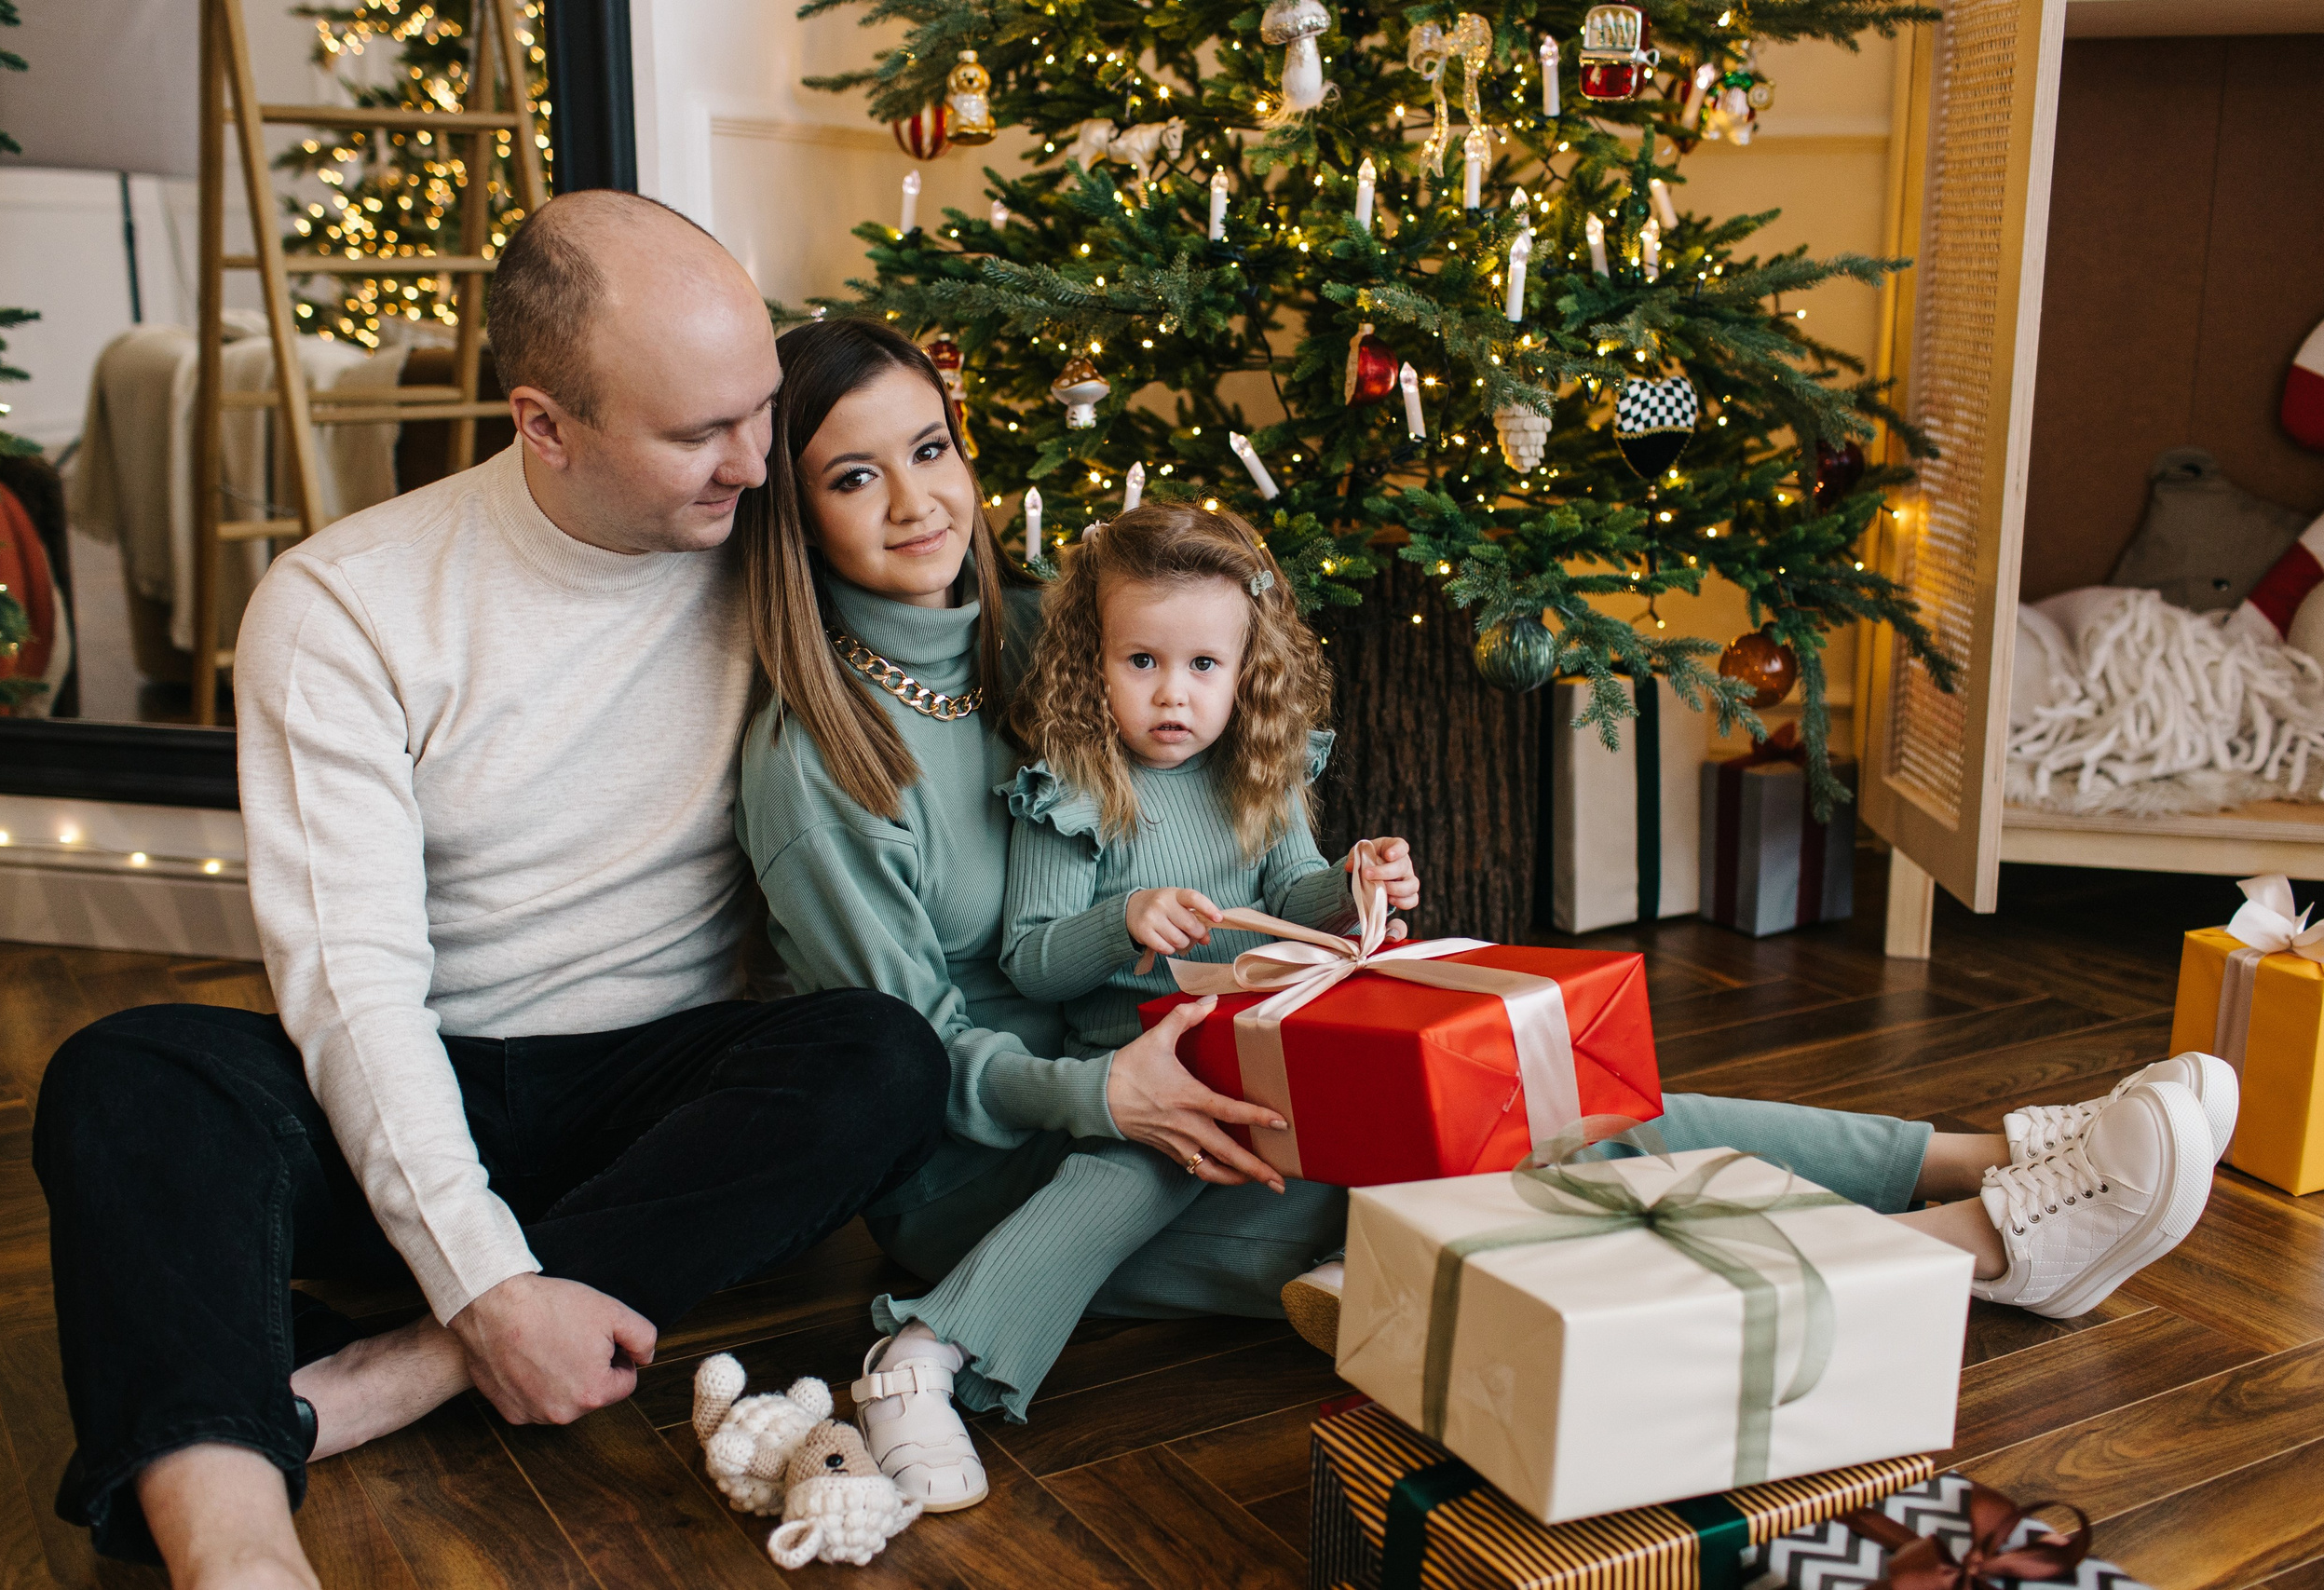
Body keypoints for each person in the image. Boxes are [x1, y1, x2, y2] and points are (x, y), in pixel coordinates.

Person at [731, 314, 2236, 1513]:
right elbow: (906, 1058)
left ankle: (1987, 1161)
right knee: (1492, 1170)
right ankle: (1979, 1241)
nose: (920, 500)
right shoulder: (821, 762)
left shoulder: (1066, 632)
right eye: (855, 475)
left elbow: (1247, 820)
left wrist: (1334, 899)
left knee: (1528, 1085)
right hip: (1018, 1161)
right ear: (796, 513)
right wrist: (1105, 1088)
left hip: (1192, 1063)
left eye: (930, 447)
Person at [30, 192, 949, 1590]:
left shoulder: (774, 535)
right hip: (413, 1085)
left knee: (880, 1055)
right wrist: (486, 1278)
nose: (756, 463)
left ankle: (389, 1376)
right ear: (545, 422)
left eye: (763, 407)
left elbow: (981, 648)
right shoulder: (348, 603)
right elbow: (355, 987)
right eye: (701, 433)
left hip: (660, 1121)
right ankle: (239, 1554)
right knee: (130, 1074)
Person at [849, 502, 1420, 1500]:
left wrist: (1356, 881)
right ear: (1090, 663)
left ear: (1247, 673)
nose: (1172, 696)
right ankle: (921, 1354)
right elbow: (1030, 961)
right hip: (1151, 1068)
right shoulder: (1072, 788)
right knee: (1126, 1183)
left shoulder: (1260, 773)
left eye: (1204, 667)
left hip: (1272, 1040)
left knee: (1386, 1119)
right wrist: (1123, 919)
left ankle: (1353, 1265)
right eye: (1140, 661)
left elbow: (1292, 900)